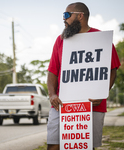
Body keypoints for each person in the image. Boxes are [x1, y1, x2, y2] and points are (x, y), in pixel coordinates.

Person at [47, 2, 120, 150]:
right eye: (63, 15)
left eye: (67, 15)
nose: (64, 19)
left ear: (80, 16)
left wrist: (102, 94)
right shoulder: (60, 40)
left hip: (93, 105)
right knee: (54, 145)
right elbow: (52, 71)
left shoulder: (101, 38)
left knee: (86, 146)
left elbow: (113, 70)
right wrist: (52, 94)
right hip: (61, 104)